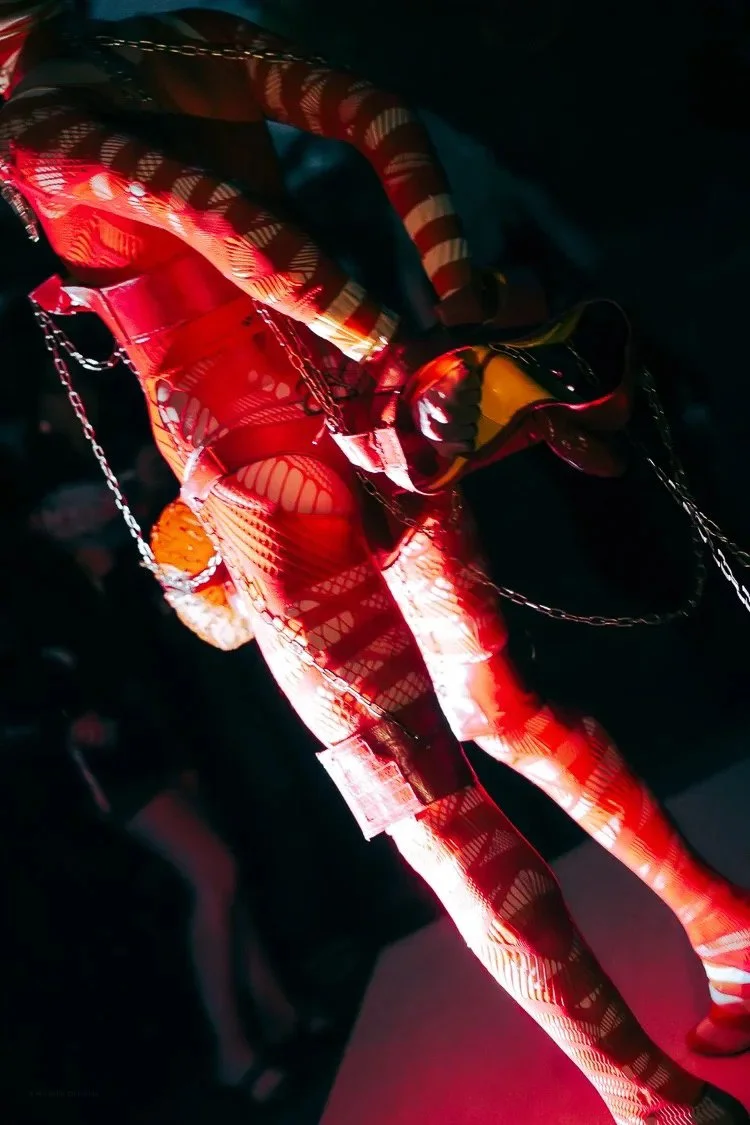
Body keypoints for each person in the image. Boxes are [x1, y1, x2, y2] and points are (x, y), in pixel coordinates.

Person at [2, 4, 750, 1122]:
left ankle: (652, 1101)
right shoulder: (165, 41)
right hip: (368, 418)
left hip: (258, 470)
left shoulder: (36, 127)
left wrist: (382, 342)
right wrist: (445, 321)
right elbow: (379, 118)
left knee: (429, 807)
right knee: (497, 705)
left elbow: (224, 222)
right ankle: (723, 927)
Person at [0, 495, 325, 1111]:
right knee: (214, 874)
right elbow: (36, 691)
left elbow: (141, 677)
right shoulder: (35, 599)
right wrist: (67, 719)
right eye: (58, 510)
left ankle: (278, 1014)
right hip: (99, 771)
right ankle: (232, 1054)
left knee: (222, 878)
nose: (72, 514)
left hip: (148, 753)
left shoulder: (108, 585)